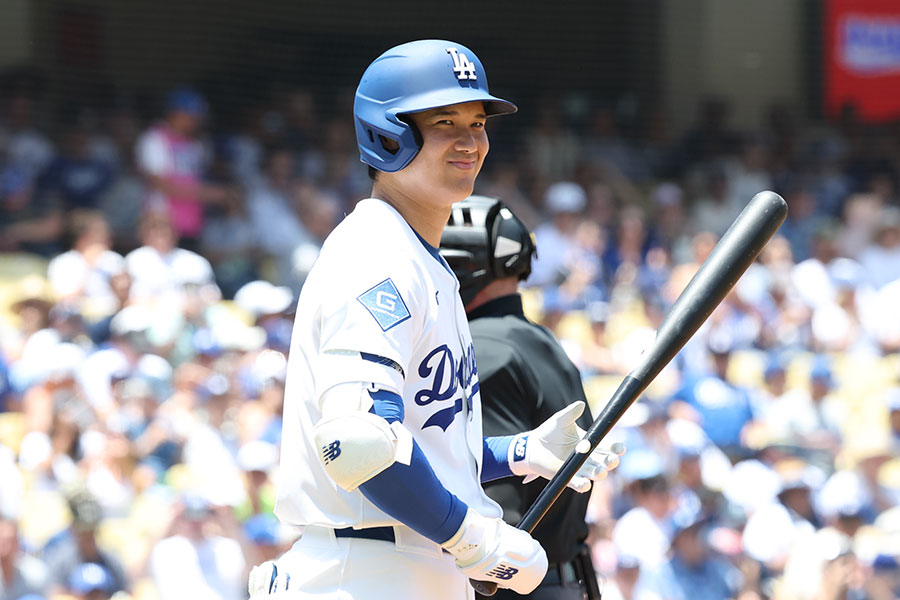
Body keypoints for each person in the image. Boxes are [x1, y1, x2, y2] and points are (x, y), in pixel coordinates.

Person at [248, 40, 615, 599]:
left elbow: (420, 437)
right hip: (366, 571)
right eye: (445, 122)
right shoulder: (377, 255)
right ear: (389, 133)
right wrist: (472, 538)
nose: (470, 141)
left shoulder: (421, 260)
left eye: (477, 122)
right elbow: (358, 442)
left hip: (406, 565)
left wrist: (521, 453)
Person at [439, 195, 625, 599]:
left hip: (513, 588)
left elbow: (498, 515)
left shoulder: (483, 349)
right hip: (562, 580)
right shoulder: (544, 341)